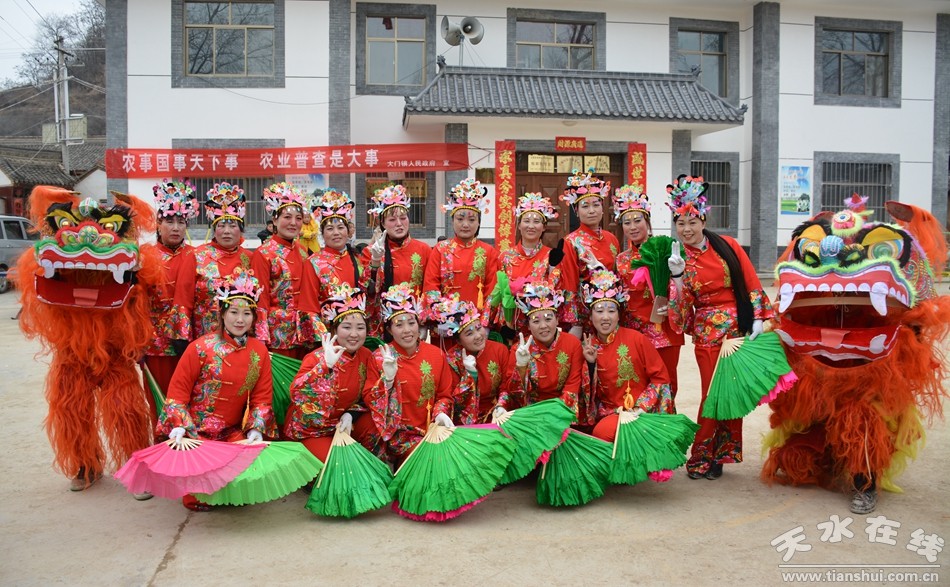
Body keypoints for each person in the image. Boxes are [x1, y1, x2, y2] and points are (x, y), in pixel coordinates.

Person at [665, 174, 774, 480]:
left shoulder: (728, 245)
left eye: (692, 222)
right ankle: (701, 456)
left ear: (703, 220)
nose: (686, 229)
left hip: (737, 332)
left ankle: (722, 455)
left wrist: (757, 317)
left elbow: (750, 280)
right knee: (711, 395)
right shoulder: (679, 257)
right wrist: (677, 278)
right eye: (680, 223)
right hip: (707, 334)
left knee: (732, 393)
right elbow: (681, 309)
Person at [157, 267, 277, 511]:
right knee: (198, 497)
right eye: (234, 312)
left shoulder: (259, 351)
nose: (240, 320)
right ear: (222, 313)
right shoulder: (200, 348)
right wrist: (179, 425)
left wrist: (256, 428)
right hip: (196, 434)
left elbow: (262, 397)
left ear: (254, 317)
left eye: (247, 313)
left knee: (243, 488)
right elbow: (177, 394)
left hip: (232, 433)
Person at [283, 281, 388, 461]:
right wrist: (325, 367)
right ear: (334, 329)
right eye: (346, 327)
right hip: (313, 429)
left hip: (344, 423)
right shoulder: (317, 357)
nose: (354, 334)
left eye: (360, 328)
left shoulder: (366, 355)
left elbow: (369, 397)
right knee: (337, 465)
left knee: (376, 428)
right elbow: (297, 395)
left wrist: (351, 414)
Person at [578, 269, 674, 443]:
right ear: (590, 316)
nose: (605, 317)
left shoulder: (637, 339)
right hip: (613, 414)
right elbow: (588, 399)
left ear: (619, 315)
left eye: (611, 311)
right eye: (599, 311)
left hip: (643, 412)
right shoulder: (588, 347)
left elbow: (661, 379)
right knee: (602, 433)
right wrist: (590, 365)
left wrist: (641, 407)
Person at [612, 184, 685, 396]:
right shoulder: (621, 260)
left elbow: (683, 288)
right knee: (638, 385)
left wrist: (671, 300)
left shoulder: (665, 250)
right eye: (627, 222)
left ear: (648, 221)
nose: (633, 227)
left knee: (667, 384)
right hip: (634, 332)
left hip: (664, 328)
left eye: (638, 220)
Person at [170, 182, 263, 348]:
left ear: (241, 229)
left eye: (232, 226)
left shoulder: (250, 258)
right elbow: (183, 297)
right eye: (221, 225)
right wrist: (181, 335)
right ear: (214, 228)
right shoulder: (197, 256)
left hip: (242, 337)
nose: (227, 231)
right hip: (204, 338)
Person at [374, 283, 458, 464]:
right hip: (395, 437)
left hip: (431, 429)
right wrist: (387, 381)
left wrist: (440, 413)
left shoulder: (436, 354)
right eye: (399, 325)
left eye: (411, 323)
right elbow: (370, 400)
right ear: (389, 330)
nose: (407, 330)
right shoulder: (380, 357)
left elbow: (444, 395)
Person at [497, 279, 590, 425]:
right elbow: (513, 393)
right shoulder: (519, 348)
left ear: (557, 320)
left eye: (548, 319)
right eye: (536, 321)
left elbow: (572, 387)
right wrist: (521, 367)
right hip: (530, 413)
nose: (543, 326)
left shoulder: (573, 344)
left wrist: (552, 415)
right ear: (528, 325)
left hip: (560, 412)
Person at [145, 178, 199, 407]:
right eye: (169, 221)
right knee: (161, 404)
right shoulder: (145, 256)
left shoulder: (198, 256)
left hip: (193, 343)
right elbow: (135, 303)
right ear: (158, 223)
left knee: (193, 403)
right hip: (156, 345)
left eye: (181, 222)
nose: (176, 227)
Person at [423, 179, 499, 331]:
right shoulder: (440, 249)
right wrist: (441, 319)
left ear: (479, 222)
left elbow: (492, 291)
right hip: (446, 324)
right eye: (460, 219)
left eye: (471, 220)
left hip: (476, 325)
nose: (465, 224)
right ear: (452, 221)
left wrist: (484, 324)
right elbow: (431, 285)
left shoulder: (488, 251)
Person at [299, 189, 372, 342]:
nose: (336, 233)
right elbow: (308, 307)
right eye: (330, 229)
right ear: (322, 233)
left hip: (357, 336)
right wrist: (326, 339)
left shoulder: (358, 259)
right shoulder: (313, 263)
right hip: (329, 338)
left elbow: (368, 297)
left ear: (348, 231)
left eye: (340, 227)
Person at [557, 168, 619, 338]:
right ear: (576, 211)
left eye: (596, 205)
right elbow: (569, 285)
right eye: (585, 206)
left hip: (608, 313)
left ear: (602, 208)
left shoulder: (612, 239)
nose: (591, 210)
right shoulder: (570, 242)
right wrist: (574, 322)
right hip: (584, 315)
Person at [251, 182, 311, 359]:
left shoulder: (302, 251)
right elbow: (260, 299)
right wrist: (261, 338)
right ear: (275, 220)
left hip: (304, 331)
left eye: (298, 218)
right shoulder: (263, 253)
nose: (293, 223)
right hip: (276, 335)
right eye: (287, 217)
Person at [362, 184, 431, 336]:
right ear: (382, 223)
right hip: (383, 325)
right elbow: (368, 293)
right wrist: (375, 262)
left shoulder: (424, 250)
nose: (399, 224)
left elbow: (429, 287)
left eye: (403, 218)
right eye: (392, 219)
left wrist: (424, 320)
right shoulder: (371, 252)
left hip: (414, 323)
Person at [431, 294, 509, 424]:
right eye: (469, 333)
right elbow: (455, 403)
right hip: (466, 422)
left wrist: (501, 405)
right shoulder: (451, 360)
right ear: (458, 341)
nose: (478, 336)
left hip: (497, 415)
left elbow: (506, 386)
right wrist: (470, 375)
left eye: (479, 328)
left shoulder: (499, 350)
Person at [497, 192, 561, 336]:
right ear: (519, 225)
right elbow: (497, 293)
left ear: (544, 227)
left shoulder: (551, 256)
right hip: (511, 325)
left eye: (536, 221)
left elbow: (557, 290)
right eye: (526, 221)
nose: (531, 226)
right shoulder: (505, 257)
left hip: (542, 327)